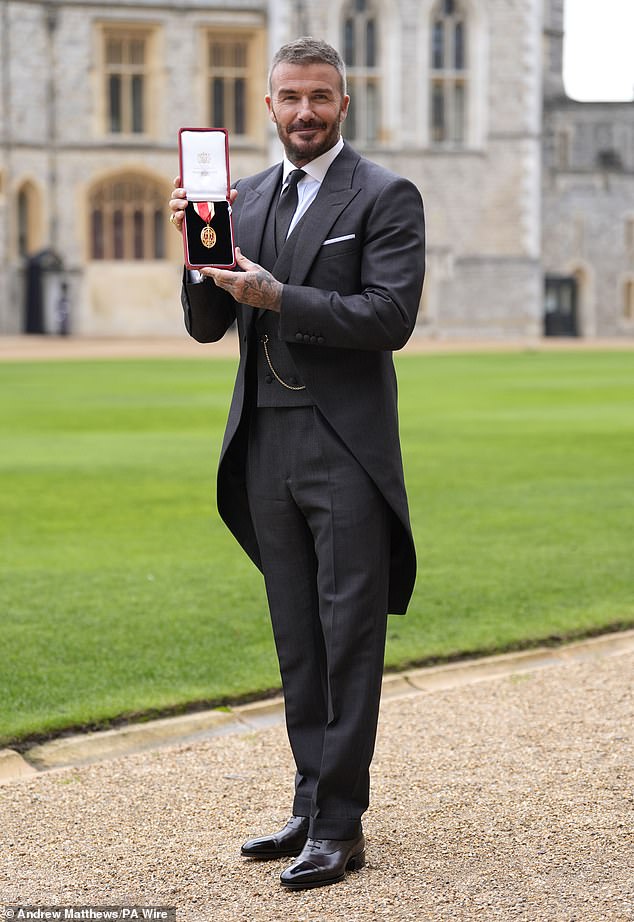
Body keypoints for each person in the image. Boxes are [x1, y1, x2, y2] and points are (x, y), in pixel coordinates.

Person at [169, 37, 425, 891]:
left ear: (342, 105)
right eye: (290, 98)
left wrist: (277, 296)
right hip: (264, 442)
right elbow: (209, 326)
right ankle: (312, 801)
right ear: (269, 107)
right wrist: (195, 252)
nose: (305, 112)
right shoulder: (240, 197)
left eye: (320, 97)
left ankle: (343, 826)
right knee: (298, 639)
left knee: (350, 637)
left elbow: (387, 316)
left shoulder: (386, 195)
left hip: (344, 447)